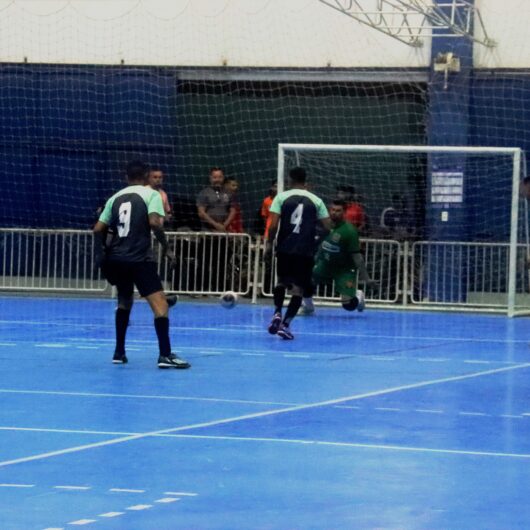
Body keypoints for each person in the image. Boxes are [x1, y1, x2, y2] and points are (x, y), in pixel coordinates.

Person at [93, 160, 190, 369]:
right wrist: (166, 247)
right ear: (146, 177)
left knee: (124, 301)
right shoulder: (151, 195)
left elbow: (98, 228)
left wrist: (102, 252)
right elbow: (155, 223)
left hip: (117, 258)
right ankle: (165, 355)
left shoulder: (115, 197)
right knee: (161, 305)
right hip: (139, 258)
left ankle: (119, 352)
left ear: (126, 177)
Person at [265, 167, 330, 340]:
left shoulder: (281, 197)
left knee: (281, 282)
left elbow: (272, 226)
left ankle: (277, 312)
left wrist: (270, 245)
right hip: (304, 250)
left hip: (285, 247)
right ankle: (285, 325)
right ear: (305, 180)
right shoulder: (316, 200)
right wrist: (314, 242)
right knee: (297, 290)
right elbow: (328, 227)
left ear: (290, 179)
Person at [312, 199, 376, 313]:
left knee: (348, 305)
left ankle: (357, 295)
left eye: (338, 210)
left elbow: (357, 258)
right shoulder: (324, 225)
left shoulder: (350, 231)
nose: (334, 212)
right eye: (332, 210)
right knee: (305, 281)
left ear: (344, 212)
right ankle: (307, 307)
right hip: (325, 264)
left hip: (344, 269)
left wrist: (366, 278)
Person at [196, 167, 236, 232]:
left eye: (220, 177)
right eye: (215, 177)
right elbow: (201, 213)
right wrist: (216, 225)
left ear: (223, 178)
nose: (217, 180)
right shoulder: (204, 193)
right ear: (210, 178)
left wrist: (224, 225)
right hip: (208, 234)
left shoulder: (229, 193)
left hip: (224, 232)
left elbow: (233, 211)